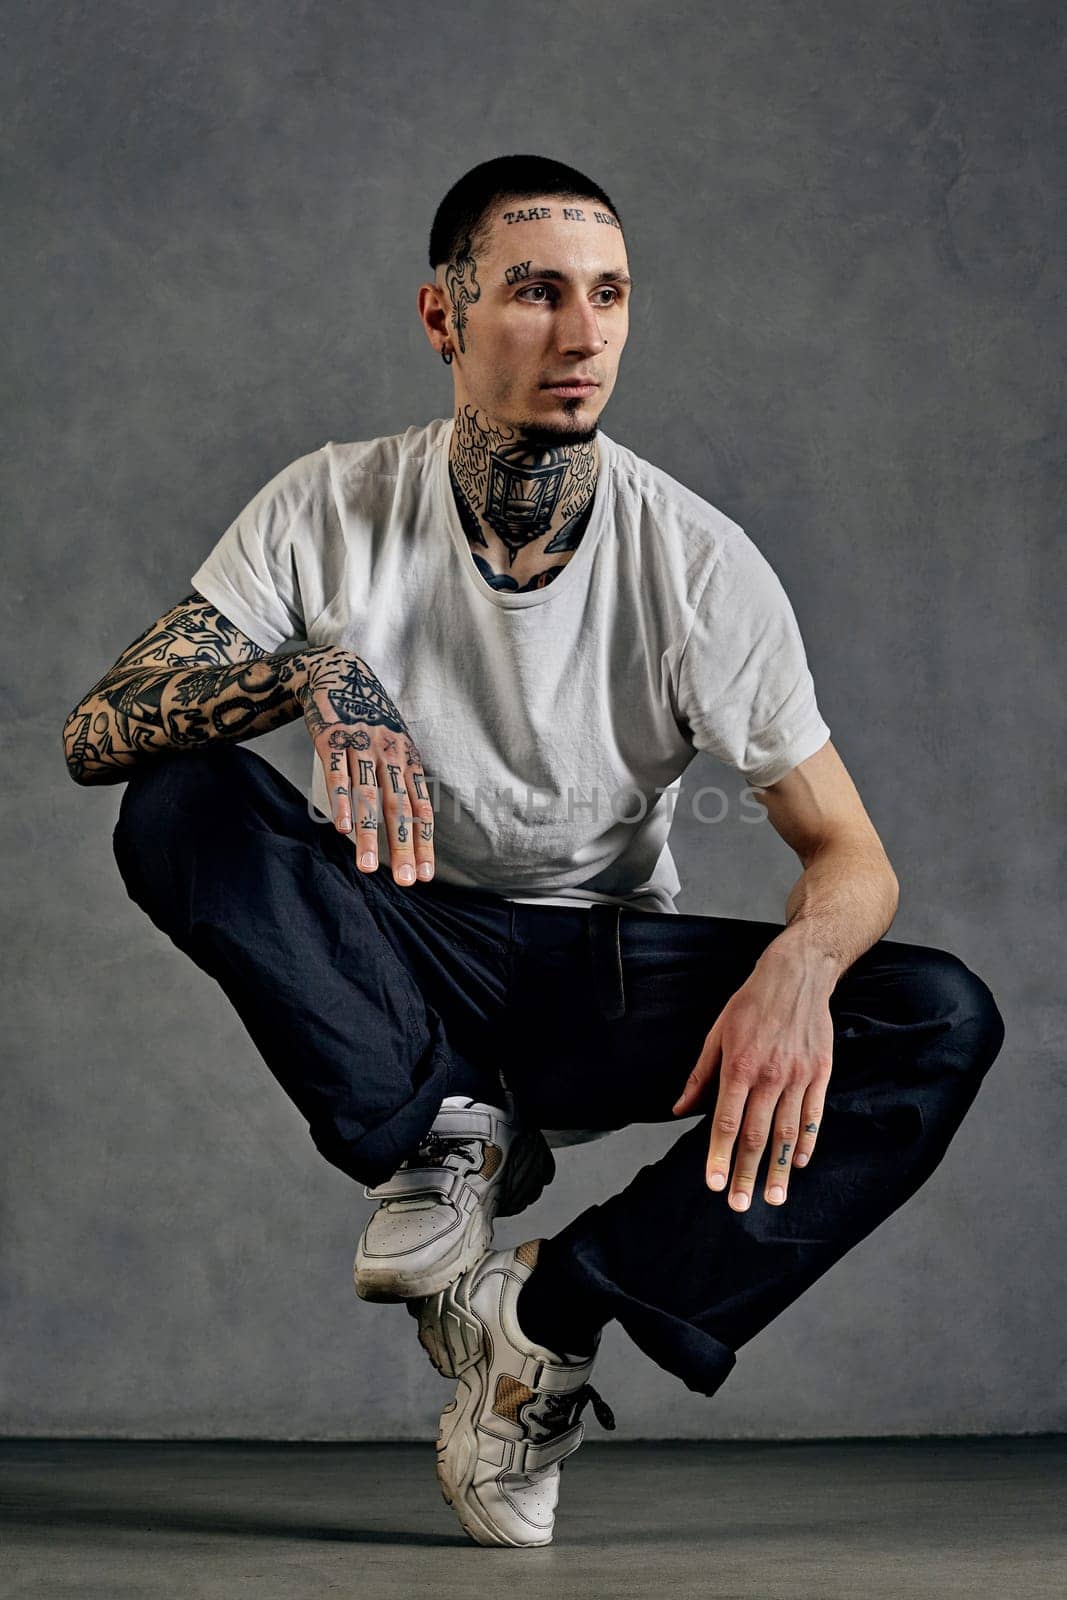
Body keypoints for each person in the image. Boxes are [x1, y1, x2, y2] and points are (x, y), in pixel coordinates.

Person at [63, 153, 1006, 1549]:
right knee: (175, 794)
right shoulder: (330, 506)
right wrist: (307, 672)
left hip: (594, 978)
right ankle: (443, 1136)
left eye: (610, 296)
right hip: (388, 948)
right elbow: (97, 729)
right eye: (535, 294)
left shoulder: (694, 561)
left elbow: (850, 851)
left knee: (932, 1016)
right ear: (444, 319)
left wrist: (808, 958)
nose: (581, 336)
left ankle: (539, 1320)